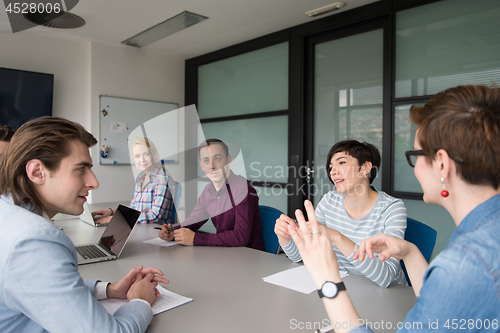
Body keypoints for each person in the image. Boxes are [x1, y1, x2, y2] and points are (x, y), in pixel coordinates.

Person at [290, 84, 500, 332]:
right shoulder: (485, 233)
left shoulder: (464, 265)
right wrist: (410, 253)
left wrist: (328, 280)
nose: (415, 167)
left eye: (416, 155)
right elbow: (440, 312)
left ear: (442, 164)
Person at [0, 116, 169, 333]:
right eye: (81, 169)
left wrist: (110, 289)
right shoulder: (34, 241)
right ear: (36, 172)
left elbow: (46, 289)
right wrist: (141, 301)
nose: (94, 182)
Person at [276, 140, 408, 287]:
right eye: (331, 166)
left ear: (365, 168)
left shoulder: (392, 208)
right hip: (342, 287)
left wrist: (336, 237)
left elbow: (386, 277)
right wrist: (285, 237)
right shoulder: (329, 201)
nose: (332, 171)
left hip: (387, 295)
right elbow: (300, 256)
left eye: (342, 162)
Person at [158, 138, 265, 250]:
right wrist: (173, 233)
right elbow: (194, 221)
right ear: (202, 166)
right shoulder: (208, 190)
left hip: (249, 256)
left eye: (217, 158)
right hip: (226, 254)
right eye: (206, 161)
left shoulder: (242, 187)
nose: (212, 166)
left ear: (228, 160)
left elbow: (241, 237)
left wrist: (196, 238)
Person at [93, 138, 175, 225]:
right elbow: (134, 209)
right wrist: (111, 212)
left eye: (146, 154)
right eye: (137, 156)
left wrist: (118, 218)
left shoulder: (163, 179)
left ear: (154, 155)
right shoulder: (140, 179)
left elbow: (155, 215)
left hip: (155, 232)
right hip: (140, 228)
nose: (142, 159)